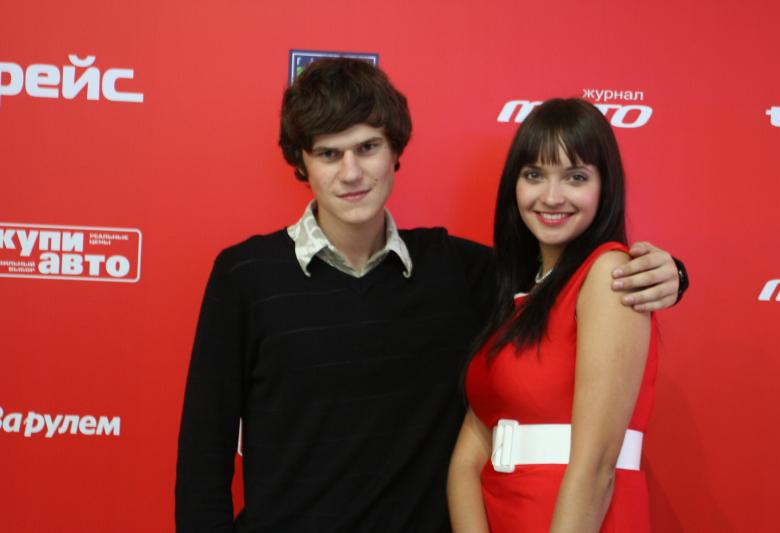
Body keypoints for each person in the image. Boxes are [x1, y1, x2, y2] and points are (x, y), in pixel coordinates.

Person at [176, 60, 684, 533]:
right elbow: (204, 458)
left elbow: (566, 272)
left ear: (396, 151)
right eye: (329, 153)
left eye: (368, 147)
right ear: (302, 162)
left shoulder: (458, 271)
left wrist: (671, 273)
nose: (351, 172)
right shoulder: (245, 276)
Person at [447, 98, 661, 532]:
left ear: (605, 186)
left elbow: (596, 467)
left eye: (575, 177)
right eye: (534, 175)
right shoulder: (516, 298)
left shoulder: (609, 273)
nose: (551, 197)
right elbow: (468, 459)